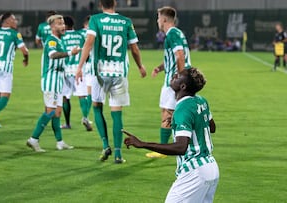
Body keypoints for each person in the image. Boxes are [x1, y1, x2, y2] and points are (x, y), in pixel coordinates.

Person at [123, 67, 219, 202]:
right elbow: (212, 127)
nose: (174, 76)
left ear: (183, 86)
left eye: (178, 76)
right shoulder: (201, 101)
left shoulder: (182, 109)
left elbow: (181, 147)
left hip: (195, 172)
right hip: (211, 168)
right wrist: (182, 120)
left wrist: (142, 144)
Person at [75, 0, 147, 163]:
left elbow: (89, 42)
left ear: (101, 4)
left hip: (99, 72)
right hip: (119, 73)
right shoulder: (126, 22)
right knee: (117, 114)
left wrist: (80, 66)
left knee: (97, 107)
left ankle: (105, 145)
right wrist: (140, 66)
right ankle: (118, 154)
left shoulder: (95, 19)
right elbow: (134, 48)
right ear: (115, 3)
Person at [26, 14, 80, 152]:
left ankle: (60, 142)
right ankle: (33, 139)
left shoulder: (59, 40)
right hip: (51, 81)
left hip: (58, 82)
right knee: (50, 112)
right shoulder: (51, 40)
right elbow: (52, 55)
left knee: (57, 113)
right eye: (59, 24)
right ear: (51, 26)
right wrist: (70, 53)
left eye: (63, 24)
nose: (63, 26)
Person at [146, 6, 191, 158]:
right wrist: (159, 68)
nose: (158, 21)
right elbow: (173, 57)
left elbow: (179, 55)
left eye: (158, 18)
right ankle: (174, 145)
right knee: (173, 113)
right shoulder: (177, 33)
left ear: (164, 19)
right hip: (177, 79)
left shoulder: (172, 34)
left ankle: (164, 149)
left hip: (174, 82)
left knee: (167, 113)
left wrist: (180, 77)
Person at [0, 12, 29, 130]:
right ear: (7, 22)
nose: (16, 22)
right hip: (4, 67)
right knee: (5, 95)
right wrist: (26, 59)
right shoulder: (15, 34)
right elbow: (25, 51)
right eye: (13, 20)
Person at [60, 16, 93, 131]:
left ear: (65, 25)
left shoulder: (61, 37)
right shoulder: (80, 35)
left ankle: (67, 123)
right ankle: (85, 117)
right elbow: (87, 49)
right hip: (79, 70)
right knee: (82, 96)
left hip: (65, 71)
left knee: (65, 97)